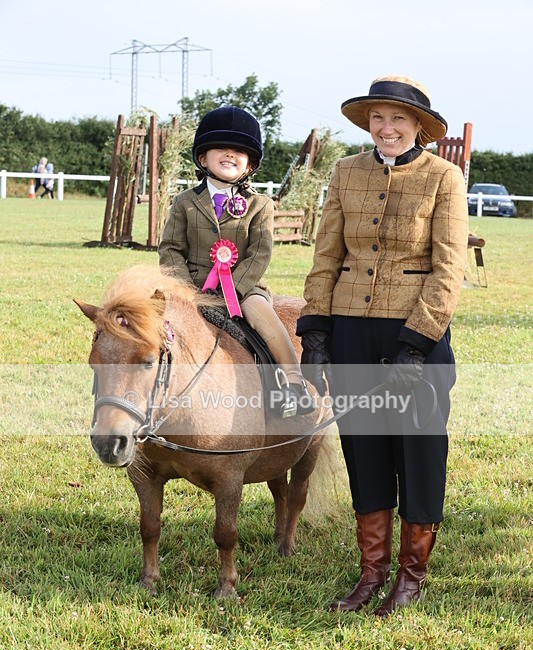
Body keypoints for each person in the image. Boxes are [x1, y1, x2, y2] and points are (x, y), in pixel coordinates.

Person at [296, 76, 468, 616]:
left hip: (414, 335)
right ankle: (371, 572)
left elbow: (448, 269)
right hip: (351, 331)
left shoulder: (444, 177)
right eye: (377, 117)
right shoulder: (345, 171)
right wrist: (316, 333)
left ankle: (411, 577)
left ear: (418, 126)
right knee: (364, 450)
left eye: (397, 118)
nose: (386, 128)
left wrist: (416, 345)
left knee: (419, 454)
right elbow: (326, 257)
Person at [159, 105, 313, 414]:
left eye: (240, 151)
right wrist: (185, 291)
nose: (230, 154)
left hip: (244, 290)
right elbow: (171, 250)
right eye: (221, 148)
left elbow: (260, 253)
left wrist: (235, 289)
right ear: (203, 158)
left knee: (265, 320)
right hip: (191, 288)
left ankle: (294, 385)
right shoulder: (184, 203)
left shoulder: (260, 205)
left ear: (249, 164)